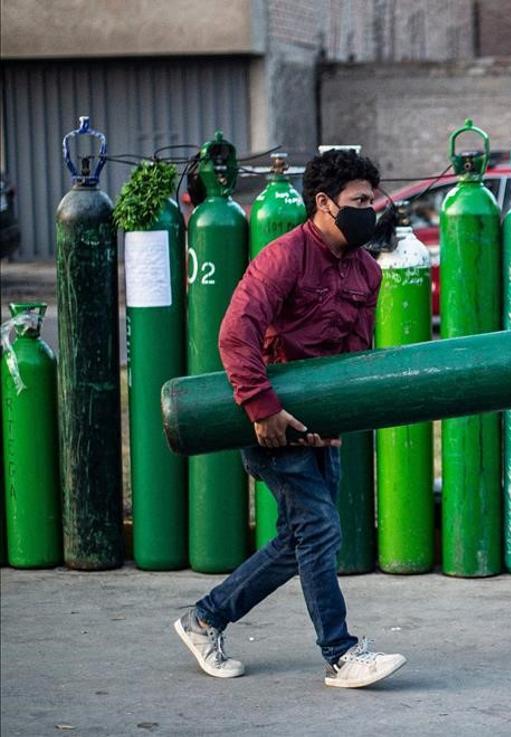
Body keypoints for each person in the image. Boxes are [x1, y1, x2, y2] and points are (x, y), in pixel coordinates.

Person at [173, 149, 406, 689]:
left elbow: (351, 355)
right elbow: (236, 332)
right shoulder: (283, 258)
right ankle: (341, 653)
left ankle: (205, 618)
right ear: (324, 204)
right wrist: (262, 407)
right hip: (271, 421)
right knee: (320, 530)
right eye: (359, 202)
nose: (370, 211)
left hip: (319, 427)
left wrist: (336, 420)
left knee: (298, 540)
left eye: (372, 200)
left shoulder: (367, 271)